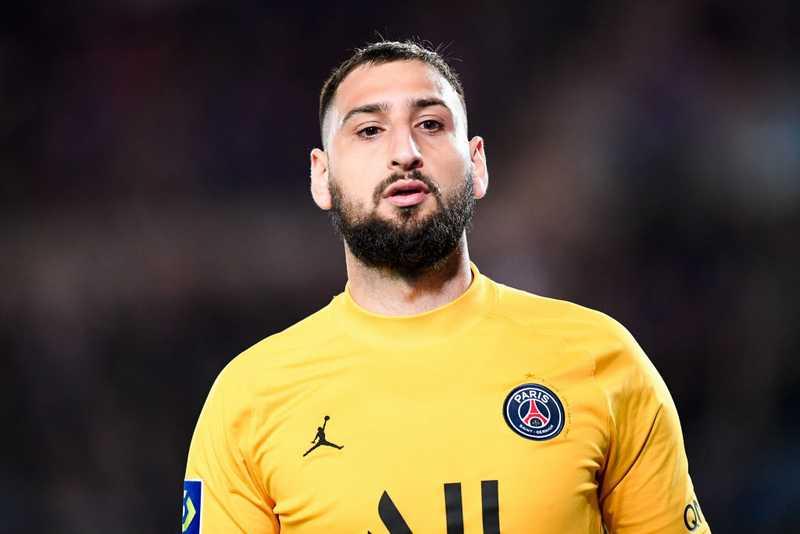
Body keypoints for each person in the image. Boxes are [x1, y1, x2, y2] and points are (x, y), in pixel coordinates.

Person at [181, 40, 710, 533]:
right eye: (369, 130)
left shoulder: (602, 359)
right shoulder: (249, 400)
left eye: (431, 124)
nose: (404, 151)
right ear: (321, 176)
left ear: (477, 164)